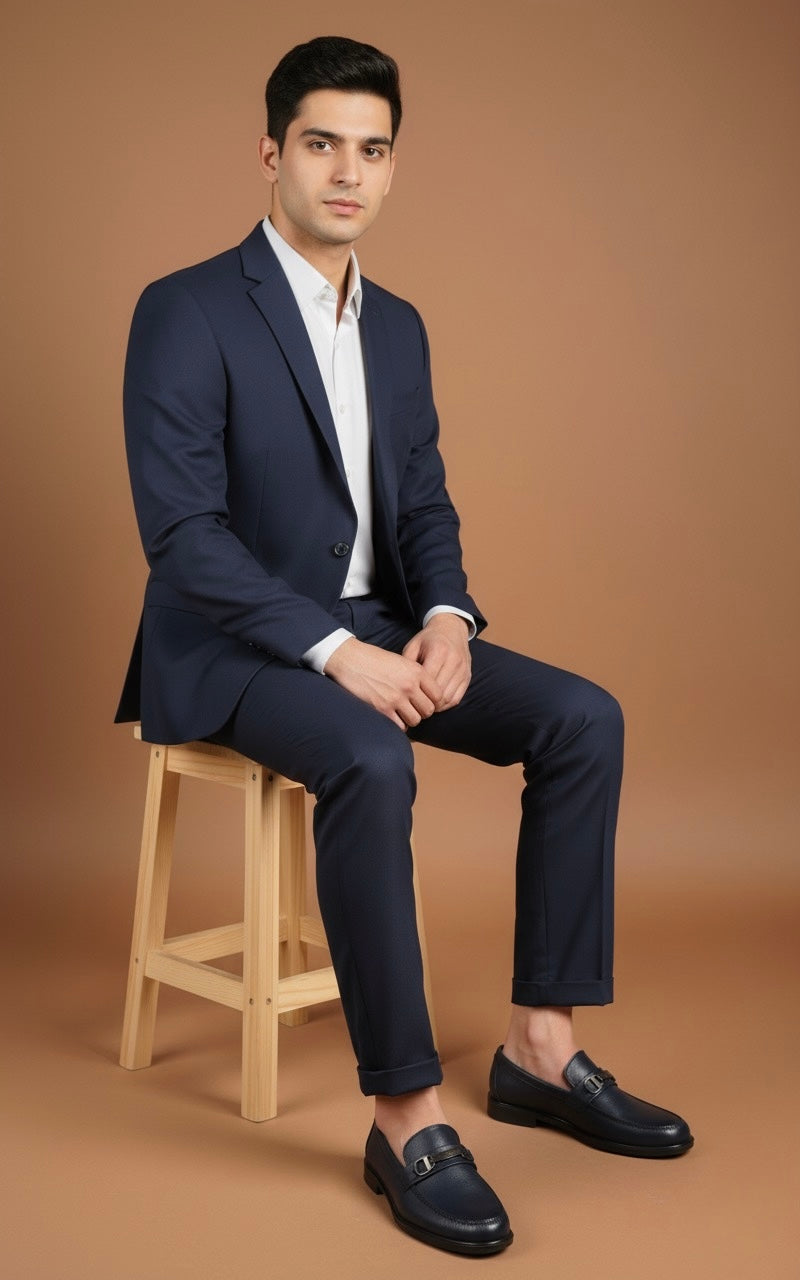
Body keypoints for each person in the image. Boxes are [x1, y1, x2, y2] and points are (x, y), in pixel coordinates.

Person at [116, 35, 693, 1257]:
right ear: (271, 154)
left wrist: (445, 617)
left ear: (391, 170)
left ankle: (540, 1044)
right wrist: (336, 652)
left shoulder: (401, 327)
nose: (346, 172)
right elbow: (183, 539)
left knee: (581, 718)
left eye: (371, 151)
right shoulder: (185, 308)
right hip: (230, 649)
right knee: (372, 763)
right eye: (321, 144)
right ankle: (404, 1113)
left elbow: (421, 502)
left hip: (381, 629)